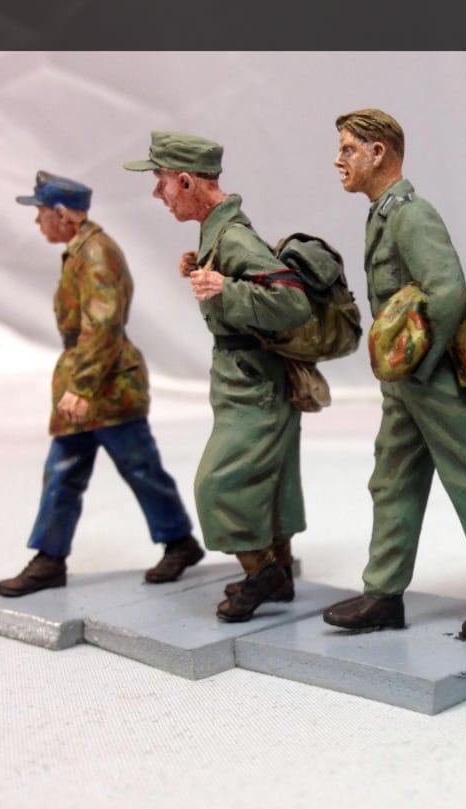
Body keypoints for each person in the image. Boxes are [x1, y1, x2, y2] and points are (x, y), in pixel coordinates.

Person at [322, 109, 466, 640]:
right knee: (393, 480)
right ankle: (383, 594)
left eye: (348, 149)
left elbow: (447, 290)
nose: (338, 160)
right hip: (405, 383)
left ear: (378, 153)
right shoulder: (381, 215)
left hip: (432, 378)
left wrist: (426, 361)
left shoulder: (411, 215)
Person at [124, 131, 312, 621]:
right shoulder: (219, 233)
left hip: (254, 383)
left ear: (187, 181)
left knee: (219, 484)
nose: (158, 192)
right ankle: (281, 572)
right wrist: (207, 269)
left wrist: (226, 288)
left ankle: (261, 574)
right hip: (247, 378)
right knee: (270, 478)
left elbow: (292, 302)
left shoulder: (233, 236)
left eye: (162, 181)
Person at [0, 171, 202, 597]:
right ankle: (50, 558)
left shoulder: (96, 253)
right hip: (88, 379)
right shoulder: (81, 250)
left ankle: (179, 542)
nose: (37, 221)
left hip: (108, 386)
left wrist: (83, 387)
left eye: (41, 213)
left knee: (139, 468)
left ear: (62, 214)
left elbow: (104, 324)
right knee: (65, 470)